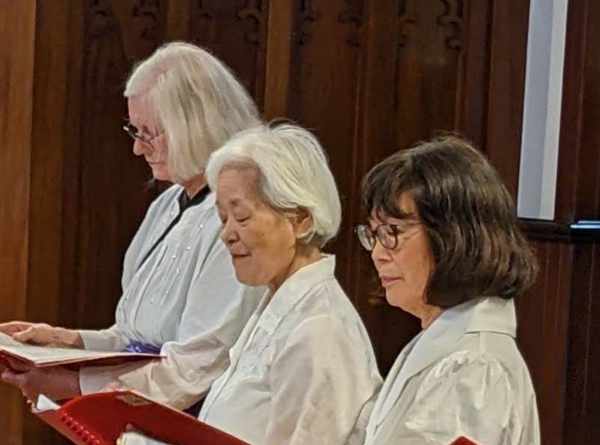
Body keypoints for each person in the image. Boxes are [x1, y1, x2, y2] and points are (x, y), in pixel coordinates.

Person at [0, 42, 263, 411]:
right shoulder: (167, 205)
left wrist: (73, 383)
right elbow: (132, 335)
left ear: (193, 125)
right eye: (134, 131)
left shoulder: (235, 222)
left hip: (191, 415)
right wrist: (67, 342)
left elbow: (199, 363)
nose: (138, 149)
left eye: (148, 132)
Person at [191, 123, 381, 445]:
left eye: (242, 217)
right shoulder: (278, 302)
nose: (226, 234)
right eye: (223, 218)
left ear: (300, 220)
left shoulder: (319, 329)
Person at [357, 136, 540, 445]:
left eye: (393, 232)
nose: (377, 252)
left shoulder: (472, 366)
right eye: (373, 234)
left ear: (453, 236)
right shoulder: (443, 340)